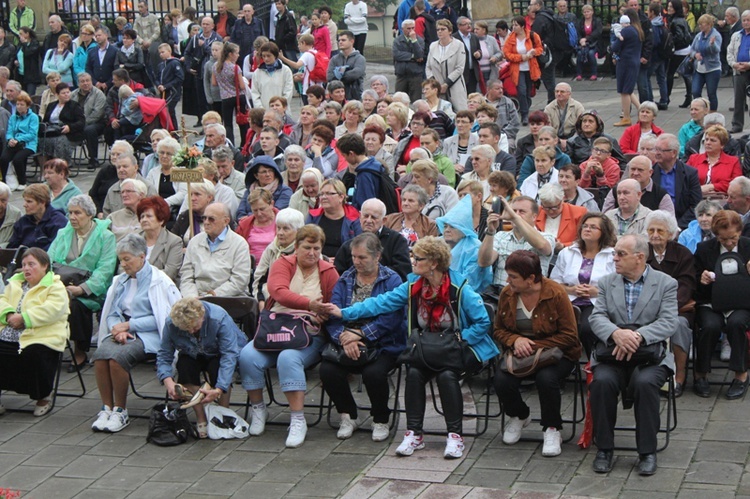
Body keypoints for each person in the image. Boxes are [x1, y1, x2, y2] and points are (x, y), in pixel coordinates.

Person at [326, 236, 496, 458]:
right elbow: (380, 303)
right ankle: (414, 434)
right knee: (413, 373)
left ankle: (455, 436)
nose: (412, 261)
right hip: (426, 348)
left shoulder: (460, 289)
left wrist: (460, 339)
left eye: (418, 258)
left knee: (447, 376)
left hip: (458, 349)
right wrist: (344, 313)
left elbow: (483, 321)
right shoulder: (413, 286)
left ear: (434, 263)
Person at [239, 224, 338, 447]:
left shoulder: (328, 272)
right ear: (296, 247)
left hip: (309, 335)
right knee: (247, 356)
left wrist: (325, 315)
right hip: (276, 328)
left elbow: (336, 303)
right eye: (306, 247)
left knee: (288, 358)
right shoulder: (282, 264)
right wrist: (310, 305)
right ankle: (258, 409)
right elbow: (279, 292)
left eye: (316, 248)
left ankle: (298, 419)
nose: (312, 253)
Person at [589, 234, 678, 476]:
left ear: (639, 257)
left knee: (645, 383)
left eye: (620, 254)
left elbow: (670, 322)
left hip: (651, 355)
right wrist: (617, 334)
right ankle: (604, 448)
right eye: (615, 253)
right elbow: (596, 317)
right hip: (612, 353)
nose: (614, 258)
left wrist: (636, 336)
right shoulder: (607, 282)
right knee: (602, 382)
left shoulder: (666, 283)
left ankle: (647, 452)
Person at [494, 250, 581, 456]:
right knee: (501, 380)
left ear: (531, 278)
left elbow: (570, 336)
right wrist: (515, 340)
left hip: (557, 354)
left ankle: (552, 427)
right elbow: (498, 330)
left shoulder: (556, 293)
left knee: (546, 378)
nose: (508, 281)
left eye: (513, 277)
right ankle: (519, 415)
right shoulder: (508, 294)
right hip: (519, 354)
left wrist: (533, 344)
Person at [91, 234, 181, 433]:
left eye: (127, 259)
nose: (123, 264)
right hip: (123, 332)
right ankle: (107, 408)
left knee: (116, 358)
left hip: (150, 334)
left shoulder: (159, 281)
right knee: (100, 357)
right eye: (121, 259)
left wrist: (129, 325)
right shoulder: (120, 281)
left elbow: (162, 317)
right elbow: (112, 312)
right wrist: (117, 328)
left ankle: (121, 410)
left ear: (142, 257)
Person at [322, 233, 404, 440]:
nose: (356, 262)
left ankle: (380, 419)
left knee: (374, 374)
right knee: (328, 370)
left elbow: (392, 318)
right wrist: (343, 338)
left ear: (377, 256)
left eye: (362, 258)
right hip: (347, 341)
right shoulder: (346, 278)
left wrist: (361, 335)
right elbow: (334, 313)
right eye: (354, 257)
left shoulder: (391, 279)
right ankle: (348, 415)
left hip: (383, 342)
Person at [157, 297, 247, 438]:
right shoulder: (171, 324)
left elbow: (229, 355)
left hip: (218, 353)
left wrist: (218, 389)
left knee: (218, 368)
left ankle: (222, 413)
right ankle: (201, 417)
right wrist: (168, 381)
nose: (191, 331)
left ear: (202, 316)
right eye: (186, 329)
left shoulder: (219, 318)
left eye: (194, 327)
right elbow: (164, 354)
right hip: (191, 353)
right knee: (184, 365)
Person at [0, 247, 69, 417]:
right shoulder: (15, 283)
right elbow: (1, 300)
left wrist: (24, 318)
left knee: (34, 352)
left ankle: (43, 396)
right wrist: (8, 314)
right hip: (9, 331)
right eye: (24, 265)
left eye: (32, 264)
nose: (26, 268)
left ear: (45, 266)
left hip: (42, 333)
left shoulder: (55, 286)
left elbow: (52, 310)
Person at [693, 210, 750, 399]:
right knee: (710, 325)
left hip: (742, 303)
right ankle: (700, 375)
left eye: (733, 238)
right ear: (716, 235)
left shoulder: (748, 247)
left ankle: (741, 375)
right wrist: (701, 279)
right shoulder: (704, 249)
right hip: (710, 302)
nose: (729, 243)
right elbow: (694, 283)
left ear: (740, 232)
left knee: (737, 323)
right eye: (723, 239)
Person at [551, 213, 617, 357]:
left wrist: (597, 291)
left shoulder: (613, 255)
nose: (587, 229)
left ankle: (593, 362)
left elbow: (619, 286)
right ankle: (565, 362)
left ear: (603, 232)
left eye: (593, 227)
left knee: (588, 329)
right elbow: (554, 283)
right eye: (585, 226)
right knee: (560, 328)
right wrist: (571, 289)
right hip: (569, 301)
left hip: (598, 303)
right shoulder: (567, 253)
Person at [644, 210, 695, 397]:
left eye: (660, 231)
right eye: (651, 230)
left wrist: (666, 308)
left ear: (671, 234)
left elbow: (686, 285)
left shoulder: (683, 254)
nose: (655, 235)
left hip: (676, 308)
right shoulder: (641, 252)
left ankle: (678, 377)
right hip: (645, 308)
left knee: (680, 325)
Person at [478, 195, 556, 287]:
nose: (516, 214)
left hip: (531, 297)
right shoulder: (500, 236)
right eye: (514, 211)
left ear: (534, 217)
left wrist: (515, 217)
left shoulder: (547, 237)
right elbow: (483, 262)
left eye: (522, 212)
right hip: (501, 295)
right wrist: (491, 231)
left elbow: (541, 246)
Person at [180, 203, 251, 298]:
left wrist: (211, 296)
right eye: (204, 218)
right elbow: (186, 277)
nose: (206, 222)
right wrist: (192, 297)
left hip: (229, 298)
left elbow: (239, 281)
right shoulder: (194, 242)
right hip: (196, 298)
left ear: (226, 221)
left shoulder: (239, 244)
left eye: (211, 219)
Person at [334, 199, 412, 282]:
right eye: (366, 216)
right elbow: (338, 274)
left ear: (384, 220)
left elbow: (403, 272)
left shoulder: (397, 241)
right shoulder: (349, 244)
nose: (368, 221)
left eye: (374, 217)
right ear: (360, 216)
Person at [435, 194, 492, 292]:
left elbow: (468, 283)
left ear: (464, 230)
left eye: (452, 227)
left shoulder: (474, 248)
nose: (447, 230)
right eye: (445, 226)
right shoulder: (436, 243)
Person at [652, 133, 703, 230]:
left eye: (661, 150)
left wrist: (677, 226)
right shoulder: (650, 173)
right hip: (654, 224)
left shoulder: (690, 174)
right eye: (656, 149)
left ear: (674, 153)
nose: (657, 153)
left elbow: (696, 205)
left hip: (682, 225)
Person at [307, 179, 362, 258]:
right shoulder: (313, 216)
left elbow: (359, 247)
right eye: (321, 194)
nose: (323, 197)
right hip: (316, 261)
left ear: (341, 197)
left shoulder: (355, 218)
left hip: (345, 264)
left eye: (329, 193)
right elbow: (305, 242)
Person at [503, 16, 542, 126]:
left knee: (529, 92)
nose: (513, 27)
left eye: (516, 25)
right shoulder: (510, 38)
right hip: (517, 69)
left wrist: (534, 51)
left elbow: (540, 48)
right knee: (521, 91)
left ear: (522, 26)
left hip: (531, 68)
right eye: (513, 25)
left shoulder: (532, 35)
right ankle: (524, 114)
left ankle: (526, 109)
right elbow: (507, 54)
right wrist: (521, 57)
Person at [686, 125, 742, 197]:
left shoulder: (733, 161)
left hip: (723, 200)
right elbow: (684, 179)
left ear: (722, 145)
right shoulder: (694, 159)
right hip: (696, 199)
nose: (708, 143)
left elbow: (737, 185)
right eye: (706, 139)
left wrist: (712, 186)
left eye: (712, 140)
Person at [8, 184, 68, 251]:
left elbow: (55, 249)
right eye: (25, 201)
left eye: (29, 201)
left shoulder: (57, 222)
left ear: (42, 202)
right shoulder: (23, 221)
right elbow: (12, 247)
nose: (24, 205)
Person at [425, 19, 467, 113]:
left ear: (450, 31)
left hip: (454, 85)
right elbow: (428, 67)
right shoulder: (433, 46)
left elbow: (460, 68)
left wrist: (446, 84)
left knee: (460, 112)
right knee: (437, 113)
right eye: (438, 29)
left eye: (443, 29)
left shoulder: (458, 45)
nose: (440, 31)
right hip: (437, 87)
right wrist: (433, 83)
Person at [137, 196, 182, 283]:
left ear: (161, 220)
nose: (144, 220)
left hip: (160, 287)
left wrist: (141, 277)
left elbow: (170, 272)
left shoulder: (174, 241)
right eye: (142, 216)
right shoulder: (134, 239)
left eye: (149, 216)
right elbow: (123, 267)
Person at [612, 10, 644, 127]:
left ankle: (626, 117)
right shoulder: (637, 30)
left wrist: (616, 36)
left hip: (625, 62)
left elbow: (615, 47)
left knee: (624, 91)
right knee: (629, 89)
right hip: (634, 61)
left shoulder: (625, 31)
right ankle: (642, 110)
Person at [0, 90, 37, 190]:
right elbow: (9, 131)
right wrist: (10, 139)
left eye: (22, 104)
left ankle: (22, 182)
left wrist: (18, 139)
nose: (19, 106)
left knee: (18, 159)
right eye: (17, 104)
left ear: (27, 106)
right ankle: (3, 181)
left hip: (28, 144)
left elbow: (32, 134)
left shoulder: (33, 117)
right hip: (14, 143)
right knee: (3, 158)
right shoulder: (13, 117)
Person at [536, 183, 588, 250]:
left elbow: (585, 241)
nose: (551, 211)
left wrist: (563, 246)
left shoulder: (579, 213)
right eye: (547, 208)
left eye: (555, 207)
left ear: (562, 199)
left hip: (569, 254)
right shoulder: (536, 212)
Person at [71, 72, 107, 169]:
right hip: (78, 123)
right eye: (82, 81)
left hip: (96, 122)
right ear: (78, 83)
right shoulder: (73, 94)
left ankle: (93, 159)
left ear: (91, 81)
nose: (85, 83)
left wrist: (80, 124)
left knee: (89, 130)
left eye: (88, 81)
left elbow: (97, 114)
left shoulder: (99, 94)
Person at [690, 14, 722, 112]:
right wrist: (695, 55)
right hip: (699, 68)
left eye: (702, 24)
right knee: (695, 91)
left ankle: (713, 113)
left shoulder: (716, 35)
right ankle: (700, 110)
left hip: (712, 68)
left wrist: (712, 44)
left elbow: (717, 50)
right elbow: (692, 49)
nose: (700, 26)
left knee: (711, 93)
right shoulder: (699, 36)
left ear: (709, 25)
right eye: (699, 24)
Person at [666, 0, 694, 109]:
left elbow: (679, 36)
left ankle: (666, 97)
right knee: (685, 74)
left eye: (671, 7)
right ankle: (688, 96)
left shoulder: (676, 21)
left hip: (679, 51)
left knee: (670, 74)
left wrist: (670, 41)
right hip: (685, 49)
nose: (669, 9)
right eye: (668, 6)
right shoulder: (681, 19)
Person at [251, 41, 293, 112]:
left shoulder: (286, 71)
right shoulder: (257, 73)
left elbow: (288, 91)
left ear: (275, 55)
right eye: (264, 56)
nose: (266, 59)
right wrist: (261, 109)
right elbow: (255, 93)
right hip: (265, 112)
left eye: (268, 56)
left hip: (282, 111)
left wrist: (280, 106)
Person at [327, 31, 366, 101]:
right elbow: (329, 76)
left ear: (351, 41)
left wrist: (338, 75)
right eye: (339, 40)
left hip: (355, 96)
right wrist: (347, 72)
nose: (340, 42)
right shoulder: (334, 59)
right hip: (336, 98)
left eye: (343, 40)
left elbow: (355, 74)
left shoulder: (359, 58)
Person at [393, 19, 426, 104]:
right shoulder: (397, 41)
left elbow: (420, 55)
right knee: (398, 100)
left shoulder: (420, 40)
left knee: (416, 101)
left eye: (413, 28)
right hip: (401, 74)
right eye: (408, 28)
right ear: (402, 29)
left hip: (415, 74)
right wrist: (412, 56)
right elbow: (397, 55)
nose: (411, 30)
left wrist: (414, 41)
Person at [544, 83, 585, 148]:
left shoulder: (578, 107)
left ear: (569, 93)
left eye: (562, 92)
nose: (559, 94)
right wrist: (558, 141)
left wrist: (571, 140)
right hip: (554, 139)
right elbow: (548, 128)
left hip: (574, 138)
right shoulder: (548, 108)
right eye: (557, 91)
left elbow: (581, 127)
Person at [107, 178, 147, 243]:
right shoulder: (113, 217)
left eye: (128, 191)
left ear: (141, 195)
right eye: (122, 192)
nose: (124, 195)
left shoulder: (150, 217)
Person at [576, 4, 603, 81]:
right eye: (585, 12)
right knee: (579, 53)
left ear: (592, 12)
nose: (586, 13)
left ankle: (594, 74)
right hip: (583, 43)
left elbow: (597, 32)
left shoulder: (597, 21)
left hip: (594, 43)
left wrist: (586, 39)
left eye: (588, 12)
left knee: (591, 53)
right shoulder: (580, 22)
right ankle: (579, 74)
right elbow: (577, 33)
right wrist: (581, 40)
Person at [86, 28, 118, 93]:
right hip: (96, 87)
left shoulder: (115, 51)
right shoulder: (92, 52)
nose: (97, 37)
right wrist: (95, 82)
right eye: (96, 36)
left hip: (111, 87)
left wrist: (108, 83)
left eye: (99, 35)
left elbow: (116, 69)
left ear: (106, 35)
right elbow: (88, 68)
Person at [16, 27, 41, 95]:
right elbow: (17, 54)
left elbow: (27, 53)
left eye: (21, 34)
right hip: (21, 74)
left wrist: (24, 43)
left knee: (30, 95)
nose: (19, 35)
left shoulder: (34, 43)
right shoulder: (20, 44)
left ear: (27, 34)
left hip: (31, 75)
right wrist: (16, 61)